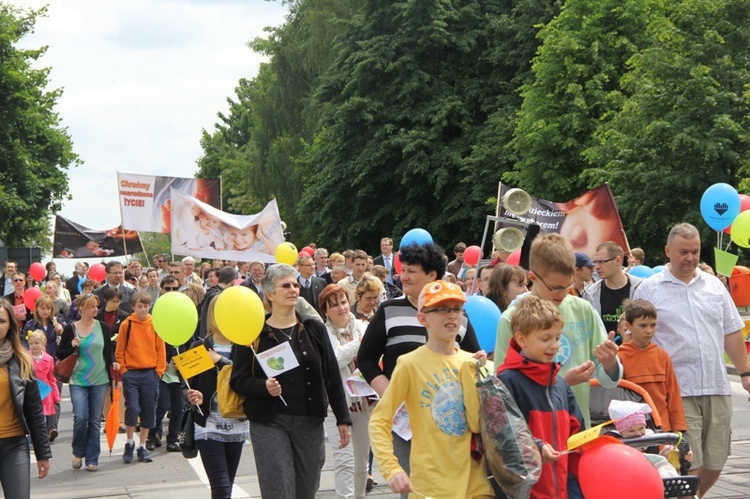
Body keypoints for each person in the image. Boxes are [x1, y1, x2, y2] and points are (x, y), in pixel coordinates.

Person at [633, 222, 750, 497]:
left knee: (717, 459)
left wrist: (745, 374)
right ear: (667, 251)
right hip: (676, 390)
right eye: (683, 251)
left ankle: (695, 496)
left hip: (716, 386)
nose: (690, 257)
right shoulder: (649, 289)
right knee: (689, 460)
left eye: (695, 251)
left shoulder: (714, 286)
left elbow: (731, 332)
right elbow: (638, 338)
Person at [357, 242, 482, 496]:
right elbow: (367, 358)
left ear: (432, 275)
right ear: (424, 319)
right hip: (404, 420)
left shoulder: (459, 315)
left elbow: (472, 360)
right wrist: (390, 392)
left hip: (449, 421)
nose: (403, 276)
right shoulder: (389, 309)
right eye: (403, 270)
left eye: (411, 271)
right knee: (416, 485)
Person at [230, 264, 352, 499]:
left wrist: (343, 418)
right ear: (270, 294)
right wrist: (263, 387)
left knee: (307, 489)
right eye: (285, 285)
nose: (293, 289)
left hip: (309, 419)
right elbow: (238, 380)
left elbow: (331, 375)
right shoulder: (254, 332)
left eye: (295, 284)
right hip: (269, 421)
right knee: (278, 488)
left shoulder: (313, 327)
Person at [495, 233, 622, 428]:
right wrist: (561, 383)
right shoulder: (512, 319)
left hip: (577, 428)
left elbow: (608, 380)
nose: (563, 294)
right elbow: (503, 390)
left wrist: (610, 363)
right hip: (534, 434)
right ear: (533, 278)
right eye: (555, 288)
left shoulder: (583, 309)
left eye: (568, 285)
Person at [497, 295, 584, 498]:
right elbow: (503, 436)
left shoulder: (560, 383)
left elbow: (577, 435)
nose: (554, 345)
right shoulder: (507, 380)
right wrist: (537, 447)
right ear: (521, 339)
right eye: (545, 338)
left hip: (562, 490)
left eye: (557, 337)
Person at [184, 296, 249, 498]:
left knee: (227, 486)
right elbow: (185, 386)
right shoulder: (199, 346)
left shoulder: (244, 346)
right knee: (220, 487)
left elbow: (245, 377)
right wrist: (191, 396)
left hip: (238, 422)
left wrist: (220, 360)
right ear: (213, 315)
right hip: (208, 424)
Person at [318, 283, 372, 499]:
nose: (341, 308)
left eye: (343, 302)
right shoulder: (322, 332)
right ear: (325, 311)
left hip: (364, 403)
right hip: (336, 405)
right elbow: (335, 358)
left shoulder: (363, 326)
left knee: (361, 464)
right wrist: (359, 345)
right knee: (344, 460)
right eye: (334, 305)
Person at [58, 293, 118, 472]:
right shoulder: (71, 329)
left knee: (93, 420)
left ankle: (92, 458)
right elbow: (60, 354)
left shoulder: (103, 327)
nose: (95, 309)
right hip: (78, 379)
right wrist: (72, 346)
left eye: (96, 306)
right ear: (81, 308)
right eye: (91, 306)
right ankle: (78, 452)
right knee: (81, 418)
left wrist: (113, 362)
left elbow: (108, 351)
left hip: (100, 379)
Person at [0, 301, 51, 496]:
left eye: (1, 321)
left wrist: (43, 453)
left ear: (11, 325)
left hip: (14, 445)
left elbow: (34, 410)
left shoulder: (22, 360)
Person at [617, 299, 686, 432]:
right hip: (634, 431)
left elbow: (673, 395)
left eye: (653, 325)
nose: (649, 331)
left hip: (663, 427)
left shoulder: (662, 356)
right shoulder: (620, 357)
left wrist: (678, 428)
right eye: (642, 326)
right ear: (628, 326)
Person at [115, 291, 167, 464]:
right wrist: (124, 371)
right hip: (132, 373)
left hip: (150, 373)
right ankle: (129, 442)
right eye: (139, 306)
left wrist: (158, 371)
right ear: (133, 307)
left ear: (150, 306)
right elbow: (120, 350)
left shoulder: (156, 324)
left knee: (148, 409)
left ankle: (142, 445)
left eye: (145, 306)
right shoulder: (126, 325)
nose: (143, 310)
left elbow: (161, 349)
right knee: (132, 407)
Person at [584, 241, 643, 343]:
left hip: (635, 354)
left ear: (618, 260)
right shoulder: (590, 294)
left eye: (601, 262)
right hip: (603, 355)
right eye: (595, 262)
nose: (596, 267)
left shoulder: (641, 288)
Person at [97, 288, 129, 435]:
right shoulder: (97, 315)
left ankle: (121, 420)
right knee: (106, 389)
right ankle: (109, 420)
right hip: (102, 355)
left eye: (118, 301)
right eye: (112, 301)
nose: (115, 304)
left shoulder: (124, 316)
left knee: (119, 388)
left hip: (119, 354)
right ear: (105, 300)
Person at [27, 330, 61, 443]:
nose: (34, 346)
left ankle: (49, 431)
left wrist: (56, 394)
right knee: (34, 414)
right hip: (31, 389)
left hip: (45, 390)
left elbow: (52, 378)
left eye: (36, 343)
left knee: (48, 412)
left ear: (43, 344)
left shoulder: (49, 359)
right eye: (31, 343)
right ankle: (34, 435)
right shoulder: (26, 358)